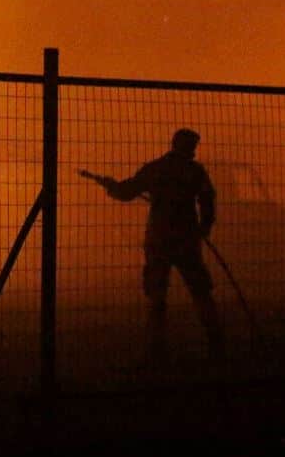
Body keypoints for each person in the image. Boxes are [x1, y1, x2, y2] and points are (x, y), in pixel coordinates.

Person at [94, 128, 226, 362]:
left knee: (157, 295)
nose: (194, 152)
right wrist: (203, 229)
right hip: (186, 239)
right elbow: (208, 201)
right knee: (200, 291)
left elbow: (126, 192)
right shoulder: (194, 171)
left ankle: (156, 349)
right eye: (192, 147)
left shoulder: (155, 168)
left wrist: (111, 186)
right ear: (189, 147)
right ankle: (215, 342)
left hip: (159, 239)